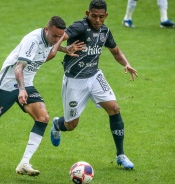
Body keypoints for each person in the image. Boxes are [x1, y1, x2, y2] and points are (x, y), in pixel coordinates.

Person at [0, 16, 85, 176]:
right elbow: (18, 68)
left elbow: (49, 50)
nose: (56, 40)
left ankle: (24, 163)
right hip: (7, 84)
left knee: (43, 118)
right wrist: (21, 90)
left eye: (59, 37)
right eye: (54, 36)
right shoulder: (32, 40)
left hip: (26, 84)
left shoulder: (48, 40)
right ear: (46, 30)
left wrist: (64, 49)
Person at [49, 0, 138, 169]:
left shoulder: (105, 31)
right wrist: (65, 49)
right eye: (94, 16)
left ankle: (121, 155)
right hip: (74, 80)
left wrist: (126, 63)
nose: (97, 20)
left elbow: (116, 51)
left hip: (95, 77)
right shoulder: (79, 27)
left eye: (101, 17)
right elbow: (58, 38)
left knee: (114, 108)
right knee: (71, 125)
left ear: (106, 16)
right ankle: (56, 124)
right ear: (87, 13)